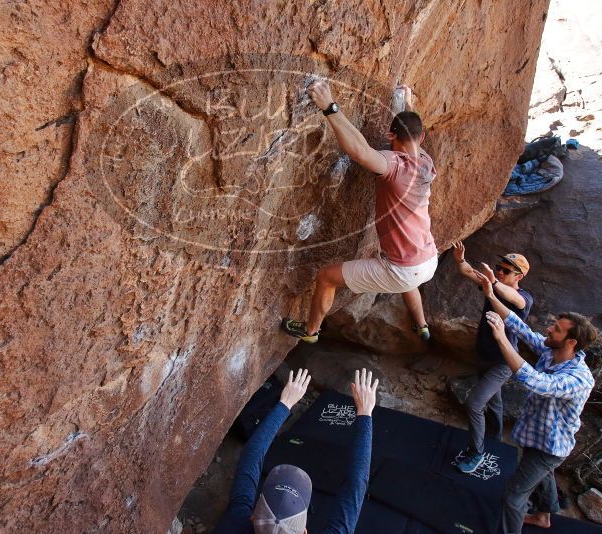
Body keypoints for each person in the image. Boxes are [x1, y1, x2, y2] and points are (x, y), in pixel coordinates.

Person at [281, 82, 438, 344]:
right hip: (428, 259)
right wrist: (407, 103)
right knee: (409, 278)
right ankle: (421, 325)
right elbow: (411, 130)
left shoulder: (394, 167)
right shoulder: (425, 162)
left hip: (403, 269)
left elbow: (360, 152)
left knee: (326, 277)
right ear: (421, 139)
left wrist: (330, 107)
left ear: (390, 137)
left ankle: (310, 332)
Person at [478, 274, 597, 534]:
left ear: (571, 342)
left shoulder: (577, 378)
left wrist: (501, 339)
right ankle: (544, 516)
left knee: (513, 496)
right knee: (542, 476)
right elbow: (519, 326)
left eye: (556, 329)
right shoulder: (551, 350)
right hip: (536, 435)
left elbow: (536, 383)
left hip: (550, 448)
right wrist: (489, 294)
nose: (549, 329)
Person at [213, 368, 379, 534]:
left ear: (252, 518)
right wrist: (365, 411)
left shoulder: (233, 523)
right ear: (304, 531)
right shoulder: (234, 519)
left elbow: (357, 485)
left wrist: (284, 404)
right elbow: (356, 484)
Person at [451, 244, 534, 474]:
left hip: (502, 362)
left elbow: (517, 300)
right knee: (494, 401)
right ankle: (495, 438)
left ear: (519, 276)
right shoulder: (492, 284)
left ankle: (476, 452)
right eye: (499, 268)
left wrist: (493, 283)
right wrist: (460, 259)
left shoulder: (523, 297)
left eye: (505, 271)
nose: (499, 272)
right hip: (483, 355)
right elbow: (468, 271)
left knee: (475, 404)